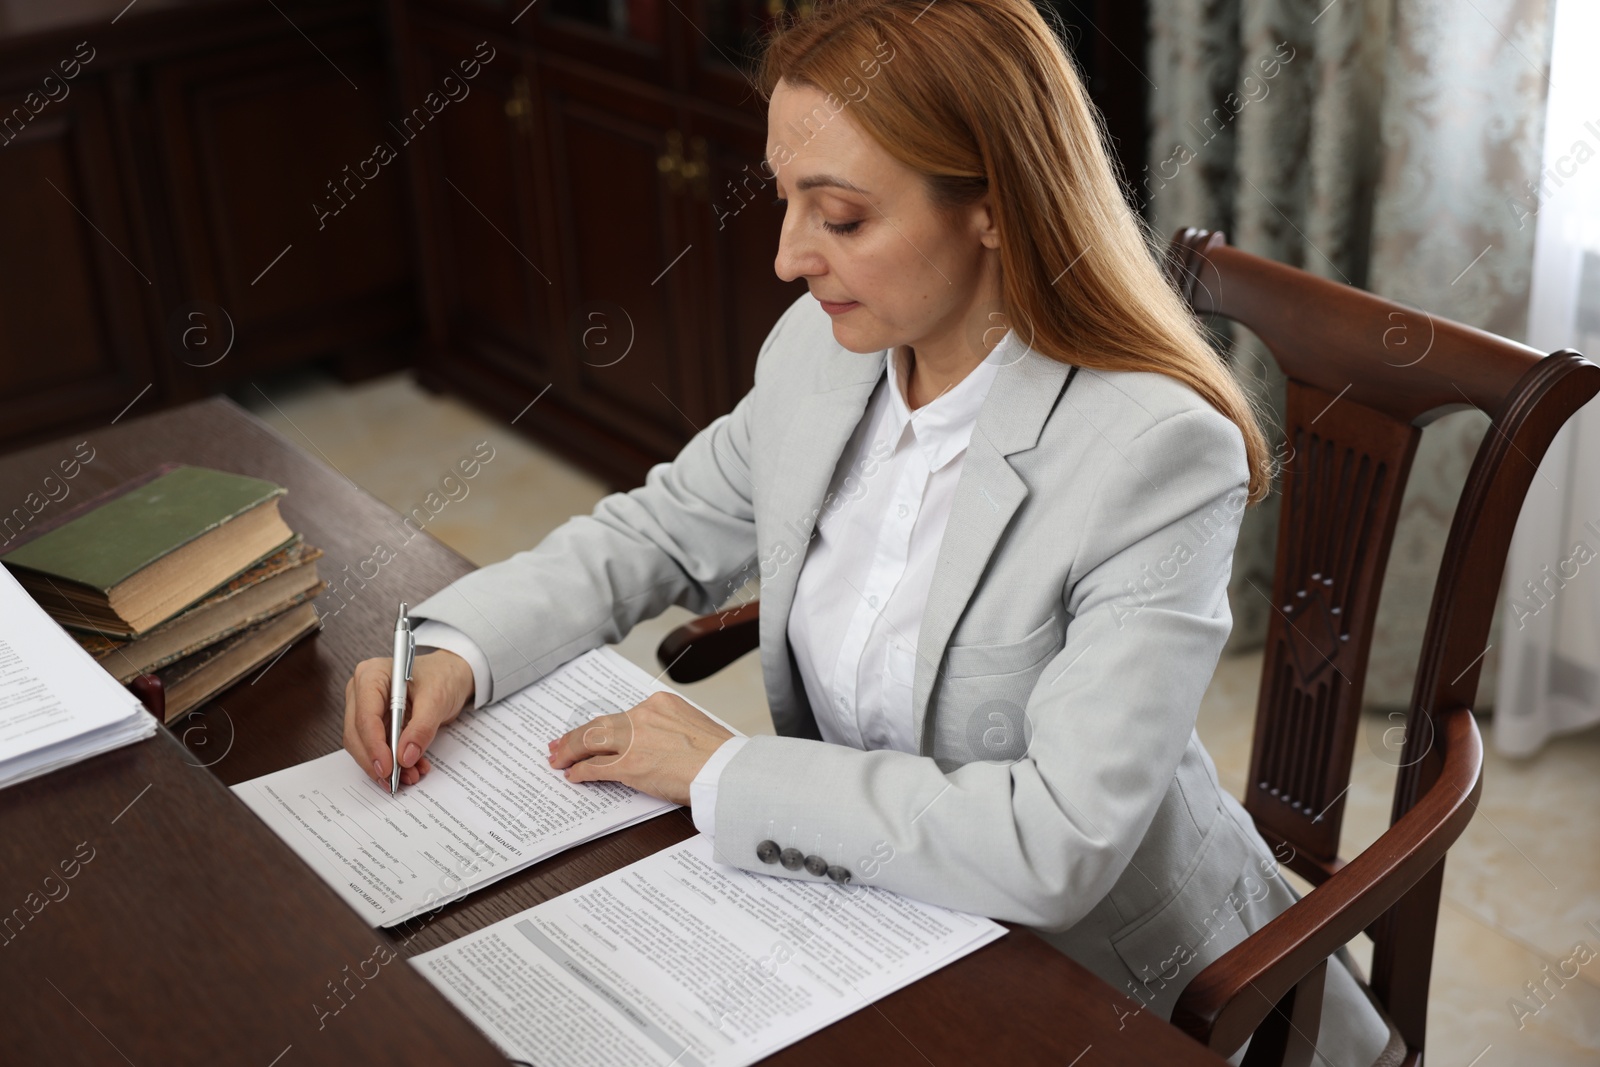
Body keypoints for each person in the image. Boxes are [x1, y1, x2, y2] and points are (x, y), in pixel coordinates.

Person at [342, 0, 1397, 1062]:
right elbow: (656, 532)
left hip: (1106, 983)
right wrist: (454, 649)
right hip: (872, 917)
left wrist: (723, 771)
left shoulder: (1155, 453)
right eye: (786, 202)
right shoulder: (825, 348)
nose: (789, 259)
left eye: (840, 217)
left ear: (993, 205)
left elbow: (1057, 842)